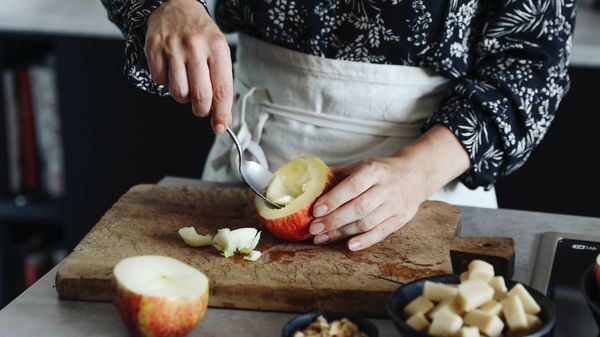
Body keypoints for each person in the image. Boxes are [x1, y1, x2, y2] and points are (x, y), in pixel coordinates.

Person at [101, 0, 575, 251]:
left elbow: (531, 64)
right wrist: (169, 3)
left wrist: (414, 173)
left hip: (432, 180)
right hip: (253, 150)